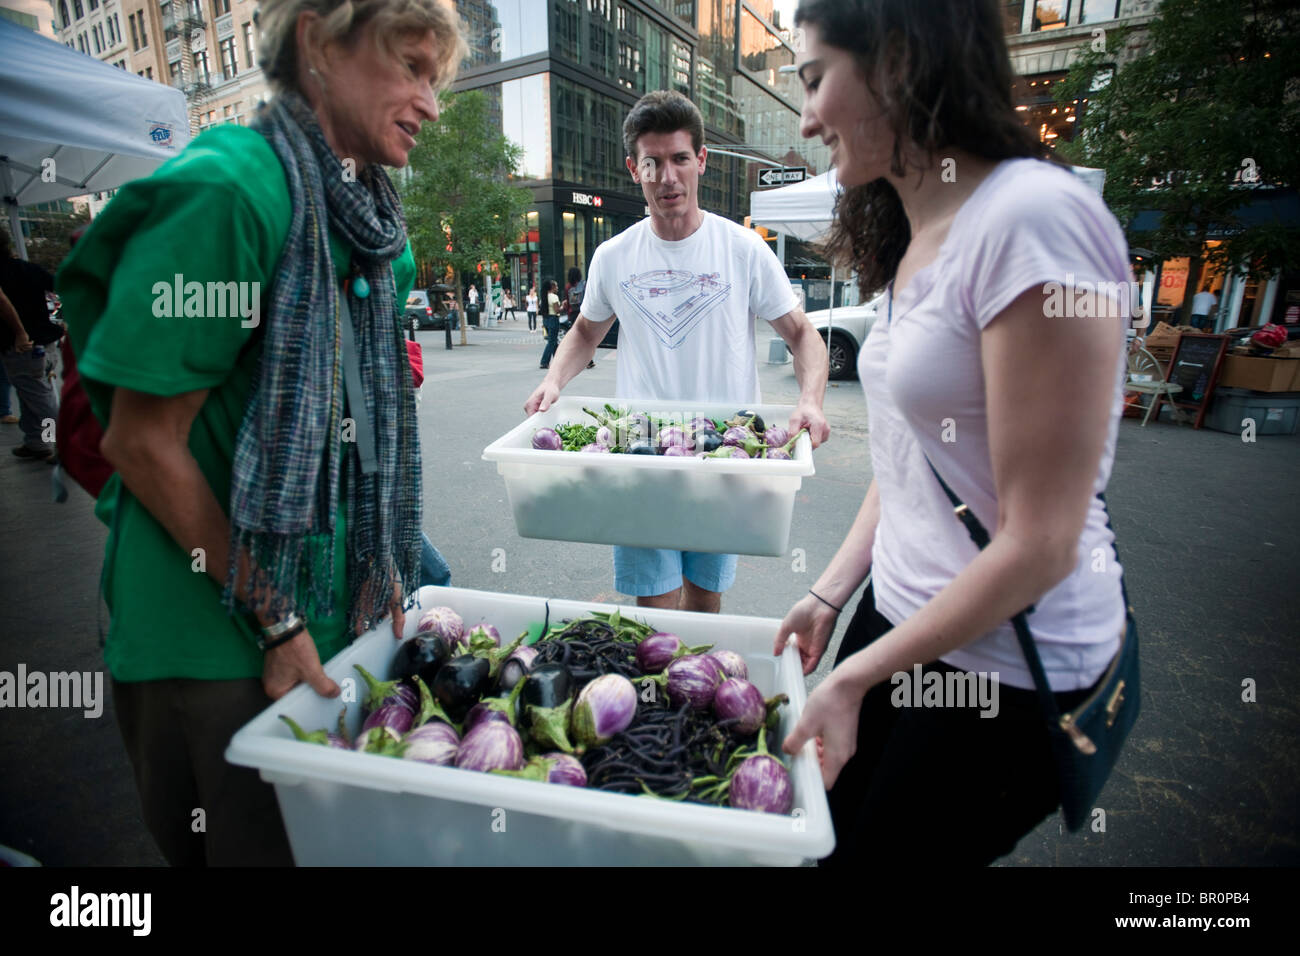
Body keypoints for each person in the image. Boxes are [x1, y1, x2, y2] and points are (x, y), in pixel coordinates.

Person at [56, 0, 465, 866]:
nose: (433, 102)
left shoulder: (376, 224)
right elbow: (141, 443)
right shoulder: (230, 191)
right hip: (212, 636)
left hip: (333, 611)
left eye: (438, 77)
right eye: (412, 67)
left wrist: (382, 562)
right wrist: (276, 623)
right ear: (318, 42)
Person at [773, 0, 1132, 866]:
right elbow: (914, 455)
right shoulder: (915, 229)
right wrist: (830, 594)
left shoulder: (1033, 218)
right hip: (894, 619)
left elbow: (1042, 544)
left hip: (999, 673)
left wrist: (858, 675)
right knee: (816, 848)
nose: (807, 116)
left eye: (817, 78)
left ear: (897, 59)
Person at [524, 89, 830, 614]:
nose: (667, 177)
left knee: (706, 596)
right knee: (656, 606)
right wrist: (554, 380)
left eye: (680, 159)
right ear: (634, 168)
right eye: (653, 163)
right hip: (641, 454)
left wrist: (811, 400)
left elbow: (803, 335)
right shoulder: (614, 256)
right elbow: (583, 332)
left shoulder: (743, 249)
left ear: (701, 161)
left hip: (725, 452)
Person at [0, 230, 60, 461]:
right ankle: (37, 441)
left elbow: (2, 303)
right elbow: (58, 288)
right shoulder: (28, 269)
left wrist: (20, 333)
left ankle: (60, 444)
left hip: (22, 347)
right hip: (46, 341)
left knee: (39, 397)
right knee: (31, 394)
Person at [563, 266, 596, 369]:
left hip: (573, 314)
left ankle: (578, 361)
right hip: (583, 313)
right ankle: (588, 361)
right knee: (586, 338)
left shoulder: (568, 287)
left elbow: (568, 303)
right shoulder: (584, 284)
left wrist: (568, 315)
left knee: (576, 338)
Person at [538, 278, 561, 369]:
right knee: (552, 342)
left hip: (546, 320)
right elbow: (557, 310)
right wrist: (563, 306)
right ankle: (544, 362)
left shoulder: (544, 297)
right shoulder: (554, 297)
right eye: (556, 286)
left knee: (554, 342)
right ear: (552, 287)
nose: (557, 288)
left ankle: (558, 360)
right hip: (553, 319)